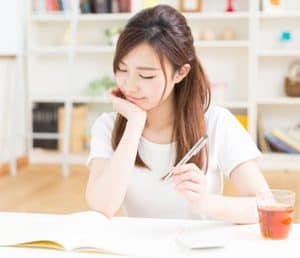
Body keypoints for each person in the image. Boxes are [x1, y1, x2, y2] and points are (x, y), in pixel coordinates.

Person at [86, 5, 270, 224]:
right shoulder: (107, 126)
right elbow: (102, 206)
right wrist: (134, 124)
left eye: (146, 75)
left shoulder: (216, 122)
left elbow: (264, 205)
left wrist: (207, 202)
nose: (130, 86)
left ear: (180, 73)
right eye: (123, 70)